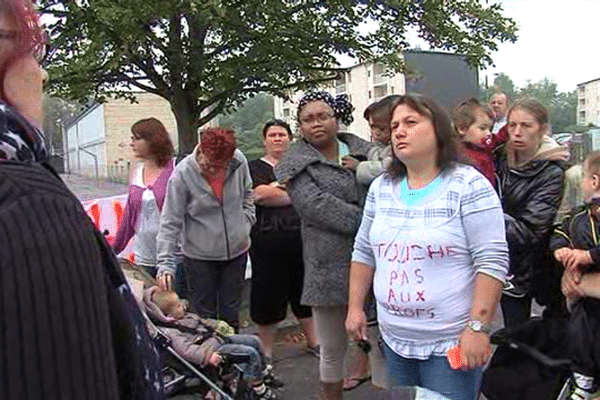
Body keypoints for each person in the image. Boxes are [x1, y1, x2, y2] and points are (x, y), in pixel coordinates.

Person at [0, 0, 163, 398]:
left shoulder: (174, 172)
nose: (43, 70)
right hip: (142, 254)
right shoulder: (29, 202)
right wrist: (115, 249)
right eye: (28, 47)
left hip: (165, 256)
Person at [346, 93, 508, 400]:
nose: (398, 132)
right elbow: (363, 251)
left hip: (451, 344)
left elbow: (492, 260)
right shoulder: (381, 189)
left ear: (439, 130)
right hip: (395, 341)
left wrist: (477, 327)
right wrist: (355, 307)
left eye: (410, 122)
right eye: (394, 126)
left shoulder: (468, 185)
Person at [275, 91, 372, 400]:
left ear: (336, 117)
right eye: (308, 119)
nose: (316, 124)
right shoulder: (294, 163)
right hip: (326, 264)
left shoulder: (368, 151)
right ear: (300, 126)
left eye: (323, 116)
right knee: (332, 347)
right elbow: (314, 206)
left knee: (379, 340)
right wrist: (373, 221)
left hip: (375, 259)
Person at [156, 127, 255, 332]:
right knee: (204, 316)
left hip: (236, 251)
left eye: (221, 166)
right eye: (210, 165)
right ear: (201, 150)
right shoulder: (182, 174)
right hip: (199, 257)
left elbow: (248, 194)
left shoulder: (239, 161)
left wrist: (245, 223)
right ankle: (209, 360)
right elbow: (170, 221)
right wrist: (165, 263)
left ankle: (234, 358)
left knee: (231, 313)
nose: (213, 171)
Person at [248, 120, 318, 367]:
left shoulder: (300, 165)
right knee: (267, 299)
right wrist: (292, 193)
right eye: (272, 135)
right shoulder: (254, 167)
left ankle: (314, 342)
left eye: (282, 134)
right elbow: (259, 195)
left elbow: (313, 196)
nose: (277, 138)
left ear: (290, 139)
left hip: (303, 243)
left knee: (305, 295)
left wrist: (276, 190)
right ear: (264, 140)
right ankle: (265, 353)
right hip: (266, 246)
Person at [495, 97, 568, 327]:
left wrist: (482, 216)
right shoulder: (495, 158)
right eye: (512, 125)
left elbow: (529, 232)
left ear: (543, 129)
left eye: (526, 126)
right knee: (470, 328)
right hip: (492, 262)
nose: (516, 132)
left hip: (529, 270)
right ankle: (457, 362)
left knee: (520, 337)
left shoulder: (552, 172)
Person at [145, 288, 280, 399]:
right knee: (249, 354)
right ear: (169, 316)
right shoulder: (172, 332)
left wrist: (217, 325)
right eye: (178, 305)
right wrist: (207, 356)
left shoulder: (185, 317)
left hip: (217, 338)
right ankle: (259, 390)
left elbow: (203, 322)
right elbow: (186, 350)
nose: (183, 305)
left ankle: (262, 373)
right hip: (212, 350)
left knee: (254, 341)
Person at [344, 98, 394, 391]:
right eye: (372, 127)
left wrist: (360, 167)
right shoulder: (375, 149)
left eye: (380, 127)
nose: (374, 132)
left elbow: (388, 167)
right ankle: (374, 371)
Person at [551, 150, 600, 400]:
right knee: (580, 336)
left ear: (594, 181)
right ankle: (583, 380)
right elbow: (562, 231)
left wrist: (588, 257)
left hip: (587, 290)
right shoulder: (578, 216)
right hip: (585, 304)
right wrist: (561, 251)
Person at [113, 118, 175, 277]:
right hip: (143, 258)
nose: (132, 144)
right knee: (147, 301)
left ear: (153, 140)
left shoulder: (176, 168)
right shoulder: (135, 170)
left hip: (174, 259)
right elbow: (129, 216)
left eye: (137, 138)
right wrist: (113, 250)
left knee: (176, 301)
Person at [452, 98, 507, 187]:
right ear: (462, 128)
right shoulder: (460, 157)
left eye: (490, 129)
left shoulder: (484, 145)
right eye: (482, 128)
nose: (488, 133)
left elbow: (499, 137)